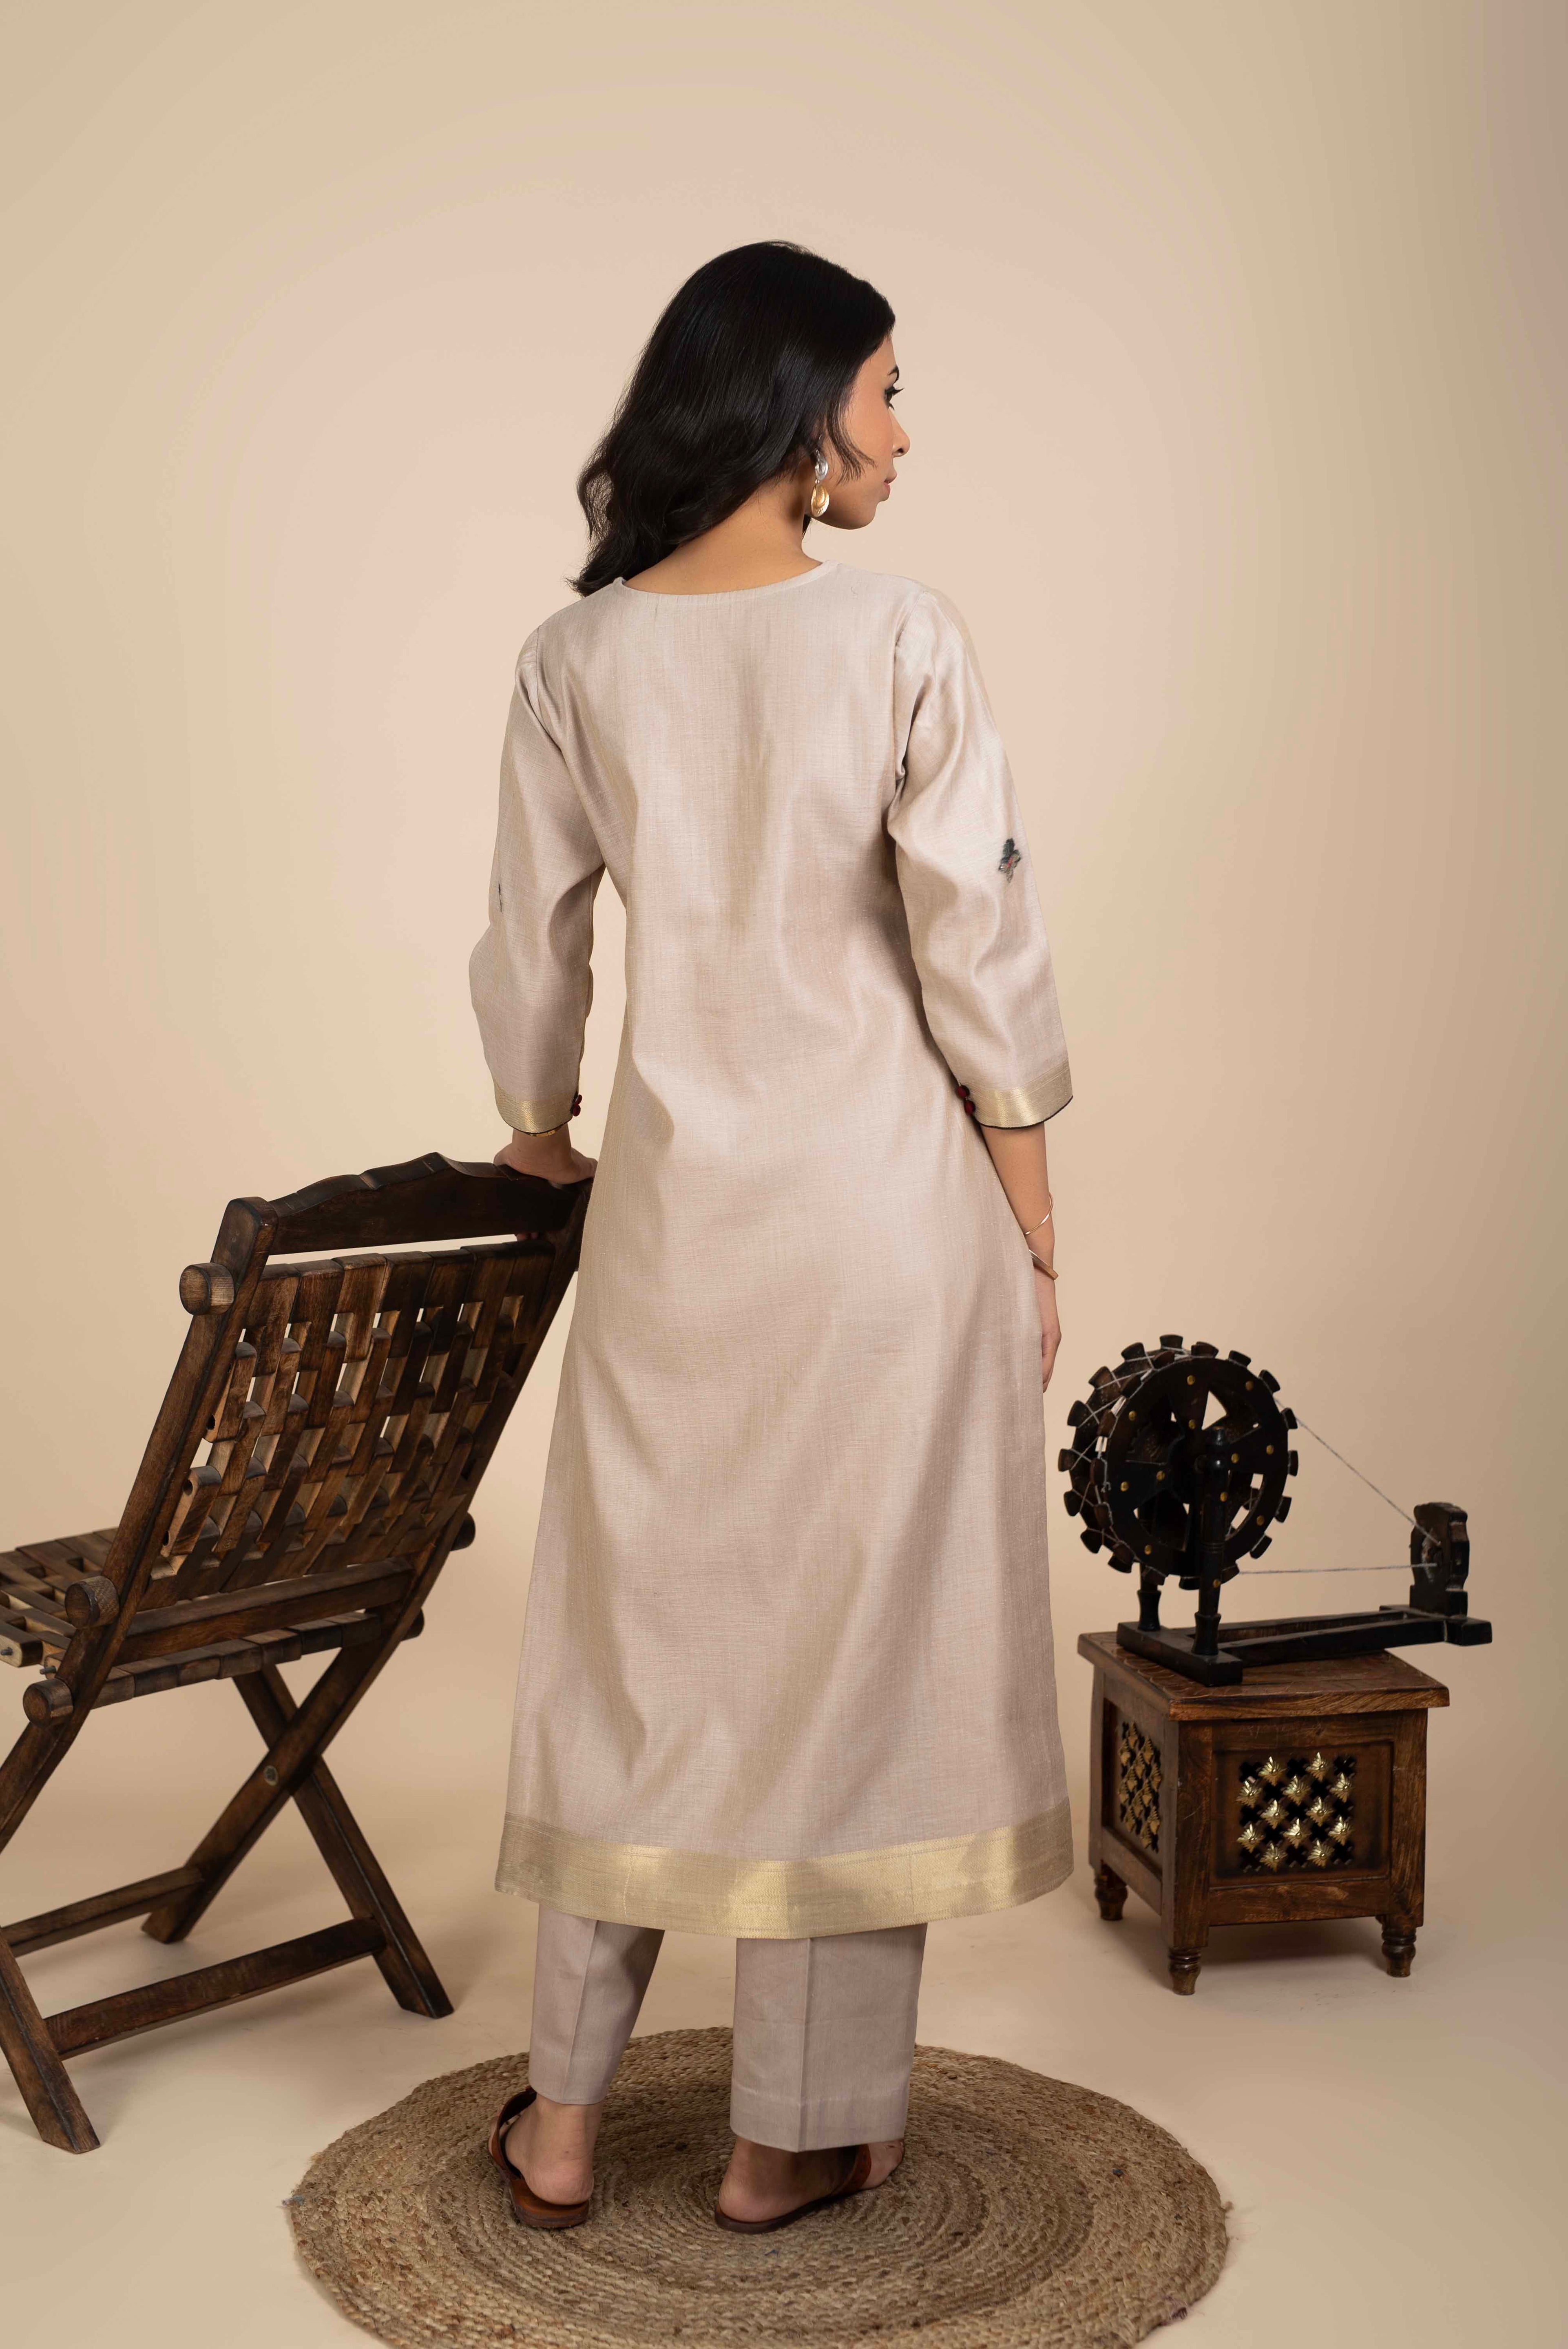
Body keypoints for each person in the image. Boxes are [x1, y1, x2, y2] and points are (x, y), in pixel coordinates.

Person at [469, 240, 1073, 2234]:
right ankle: (783, 2136)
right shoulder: (896, 632)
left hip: (674, 1241)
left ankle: (563, 2123)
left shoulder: (574, 661)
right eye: (887, 391)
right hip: (885, 1222)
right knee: (852, 1673)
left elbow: (532, 940)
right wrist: (1031, 1224)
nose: (903, 434)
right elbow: (976, 937)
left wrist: (540, 1127)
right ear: (802, 414)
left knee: (632, 1660)